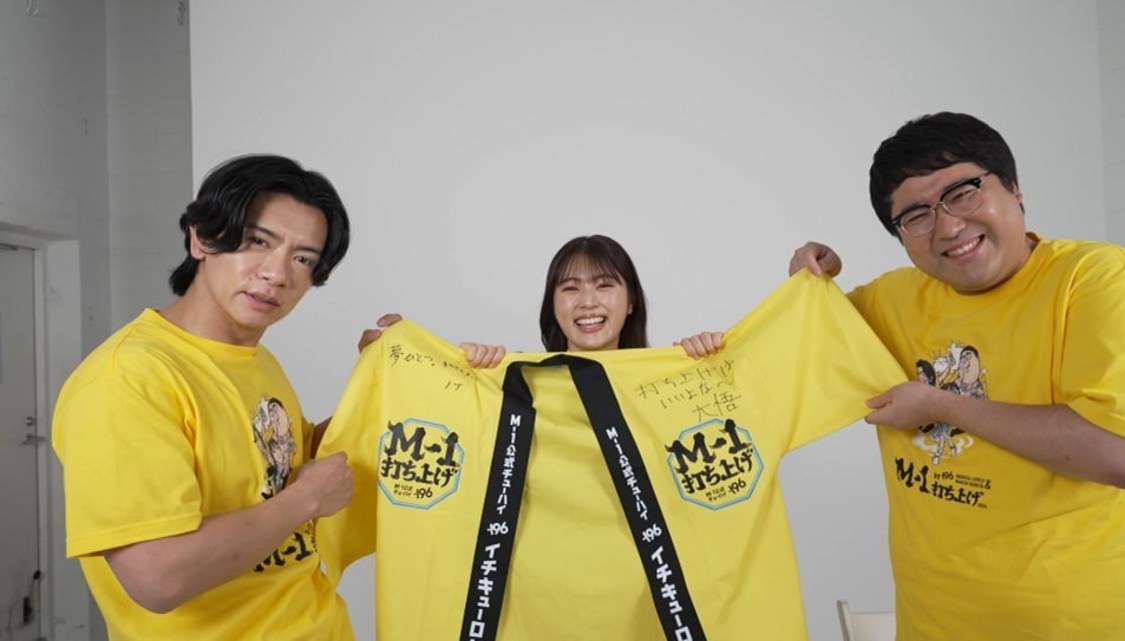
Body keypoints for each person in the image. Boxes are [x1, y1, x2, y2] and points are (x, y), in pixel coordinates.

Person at [786, 112, 1125, 639]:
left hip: (1072, 625)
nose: (947, 227)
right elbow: (797, 348)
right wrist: (805, 284)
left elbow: (1114, 451)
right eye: (915, 215)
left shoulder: (1093, 277)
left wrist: (942, 405)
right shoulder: (891, 299)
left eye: (962, 193)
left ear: (1013, 187)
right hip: (932, 626)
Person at [51, 154, 388, 640]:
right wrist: (308, 499)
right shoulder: (127, 378)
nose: (277, 274)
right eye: (257, 242)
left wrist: (383, 388)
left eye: (303, 259)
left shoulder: (256, 359)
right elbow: (159, 577)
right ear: (201, 239)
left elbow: (279, 468)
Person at [460, 234, 723, 364]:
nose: (587, 302)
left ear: (631, 301)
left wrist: (710, 365)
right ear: (552, 304)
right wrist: (469, 368)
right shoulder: (520, 382)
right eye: (570, 288)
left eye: (604, 285)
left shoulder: (665, 383)